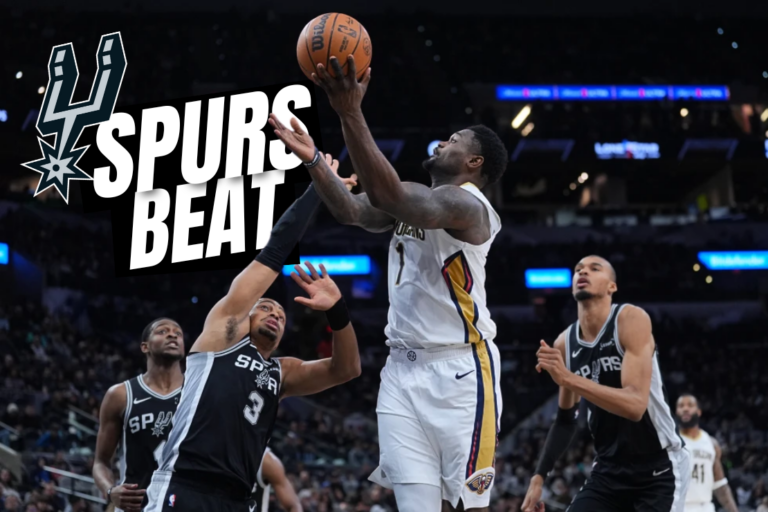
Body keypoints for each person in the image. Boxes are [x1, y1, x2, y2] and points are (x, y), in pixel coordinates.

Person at [269, 54, 509, 512]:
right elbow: (354, 209)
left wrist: (349, 110)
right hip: (401, 372)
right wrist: (316, 161)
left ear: (474, 161)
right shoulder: (415, 202)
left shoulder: (470, 207)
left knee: (466, 509)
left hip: (461, 373)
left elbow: (389, 194)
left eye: (453, 141)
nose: (441, 142)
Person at [144, 169, 362, 512]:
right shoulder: (221, 337)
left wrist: (337, 309)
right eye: (265, 307)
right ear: (246, 317)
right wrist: (317, 189)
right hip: (185, 481)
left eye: (281, 312)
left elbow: (347, 369)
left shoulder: (282, 372)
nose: (274, 312)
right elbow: (276, 250)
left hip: (238, 499)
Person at [522, 255, 691, 512]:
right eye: (578, 269)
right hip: (608, 471)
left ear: (612, 286)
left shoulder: (631, 319)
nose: (583, 272)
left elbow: (635, 406)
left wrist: (568, 377)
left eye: (594, 268)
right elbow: (566, 421)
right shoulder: (564, 344)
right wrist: (538, 477)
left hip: (658, 467)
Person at [93, 318, 185, 512]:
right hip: (136, 506)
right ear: (145, 347)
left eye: (178, 333)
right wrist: (110, 491)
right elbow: (101, 462)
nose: (172, 335)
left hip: (185, 503)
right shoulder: (120, 395)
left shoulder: (198, 392)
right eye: (162, 331)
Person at [676, 394, 738, 512]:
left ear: (699, 411)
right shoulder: (672, 442)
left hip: (705, 507)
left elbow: (720, 484)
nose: (685, 409)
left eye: (690, 405)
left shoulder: (711, 443)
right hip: (678, 506)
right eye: (681, 406)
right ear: (676, 412)